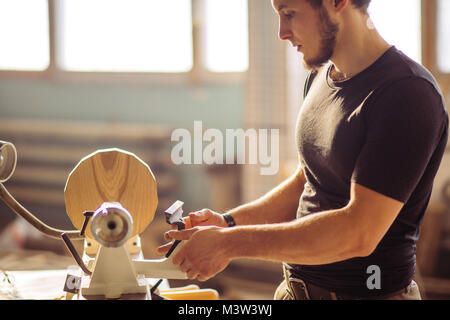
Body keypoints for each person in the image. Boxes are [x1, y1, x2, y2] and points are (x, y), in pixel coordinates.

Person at [158, 0, 449, 300]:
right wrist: (228, 222)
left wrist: (229, 243)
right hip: (294, 291)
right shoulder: (320, 76)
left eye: (289, 14)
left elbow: (359, 233)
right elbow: (306, 183)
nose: (282, 32)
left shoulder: (406, 93)